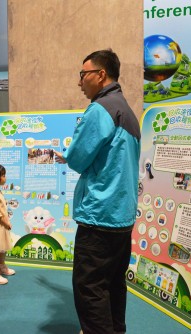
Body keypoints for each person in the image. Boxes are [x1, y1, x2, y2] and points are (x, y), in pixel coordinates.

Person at [54, 49, 140, 334]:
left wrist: (68, 152)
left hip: (99, 217)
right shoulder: (126, 109)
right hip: (121, 216)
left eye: (83, 75)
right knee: (114, 285)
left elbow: (78, 158)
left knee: (90, 290)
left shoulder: (100, 109)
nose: (80, 82)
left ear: (101, 74)